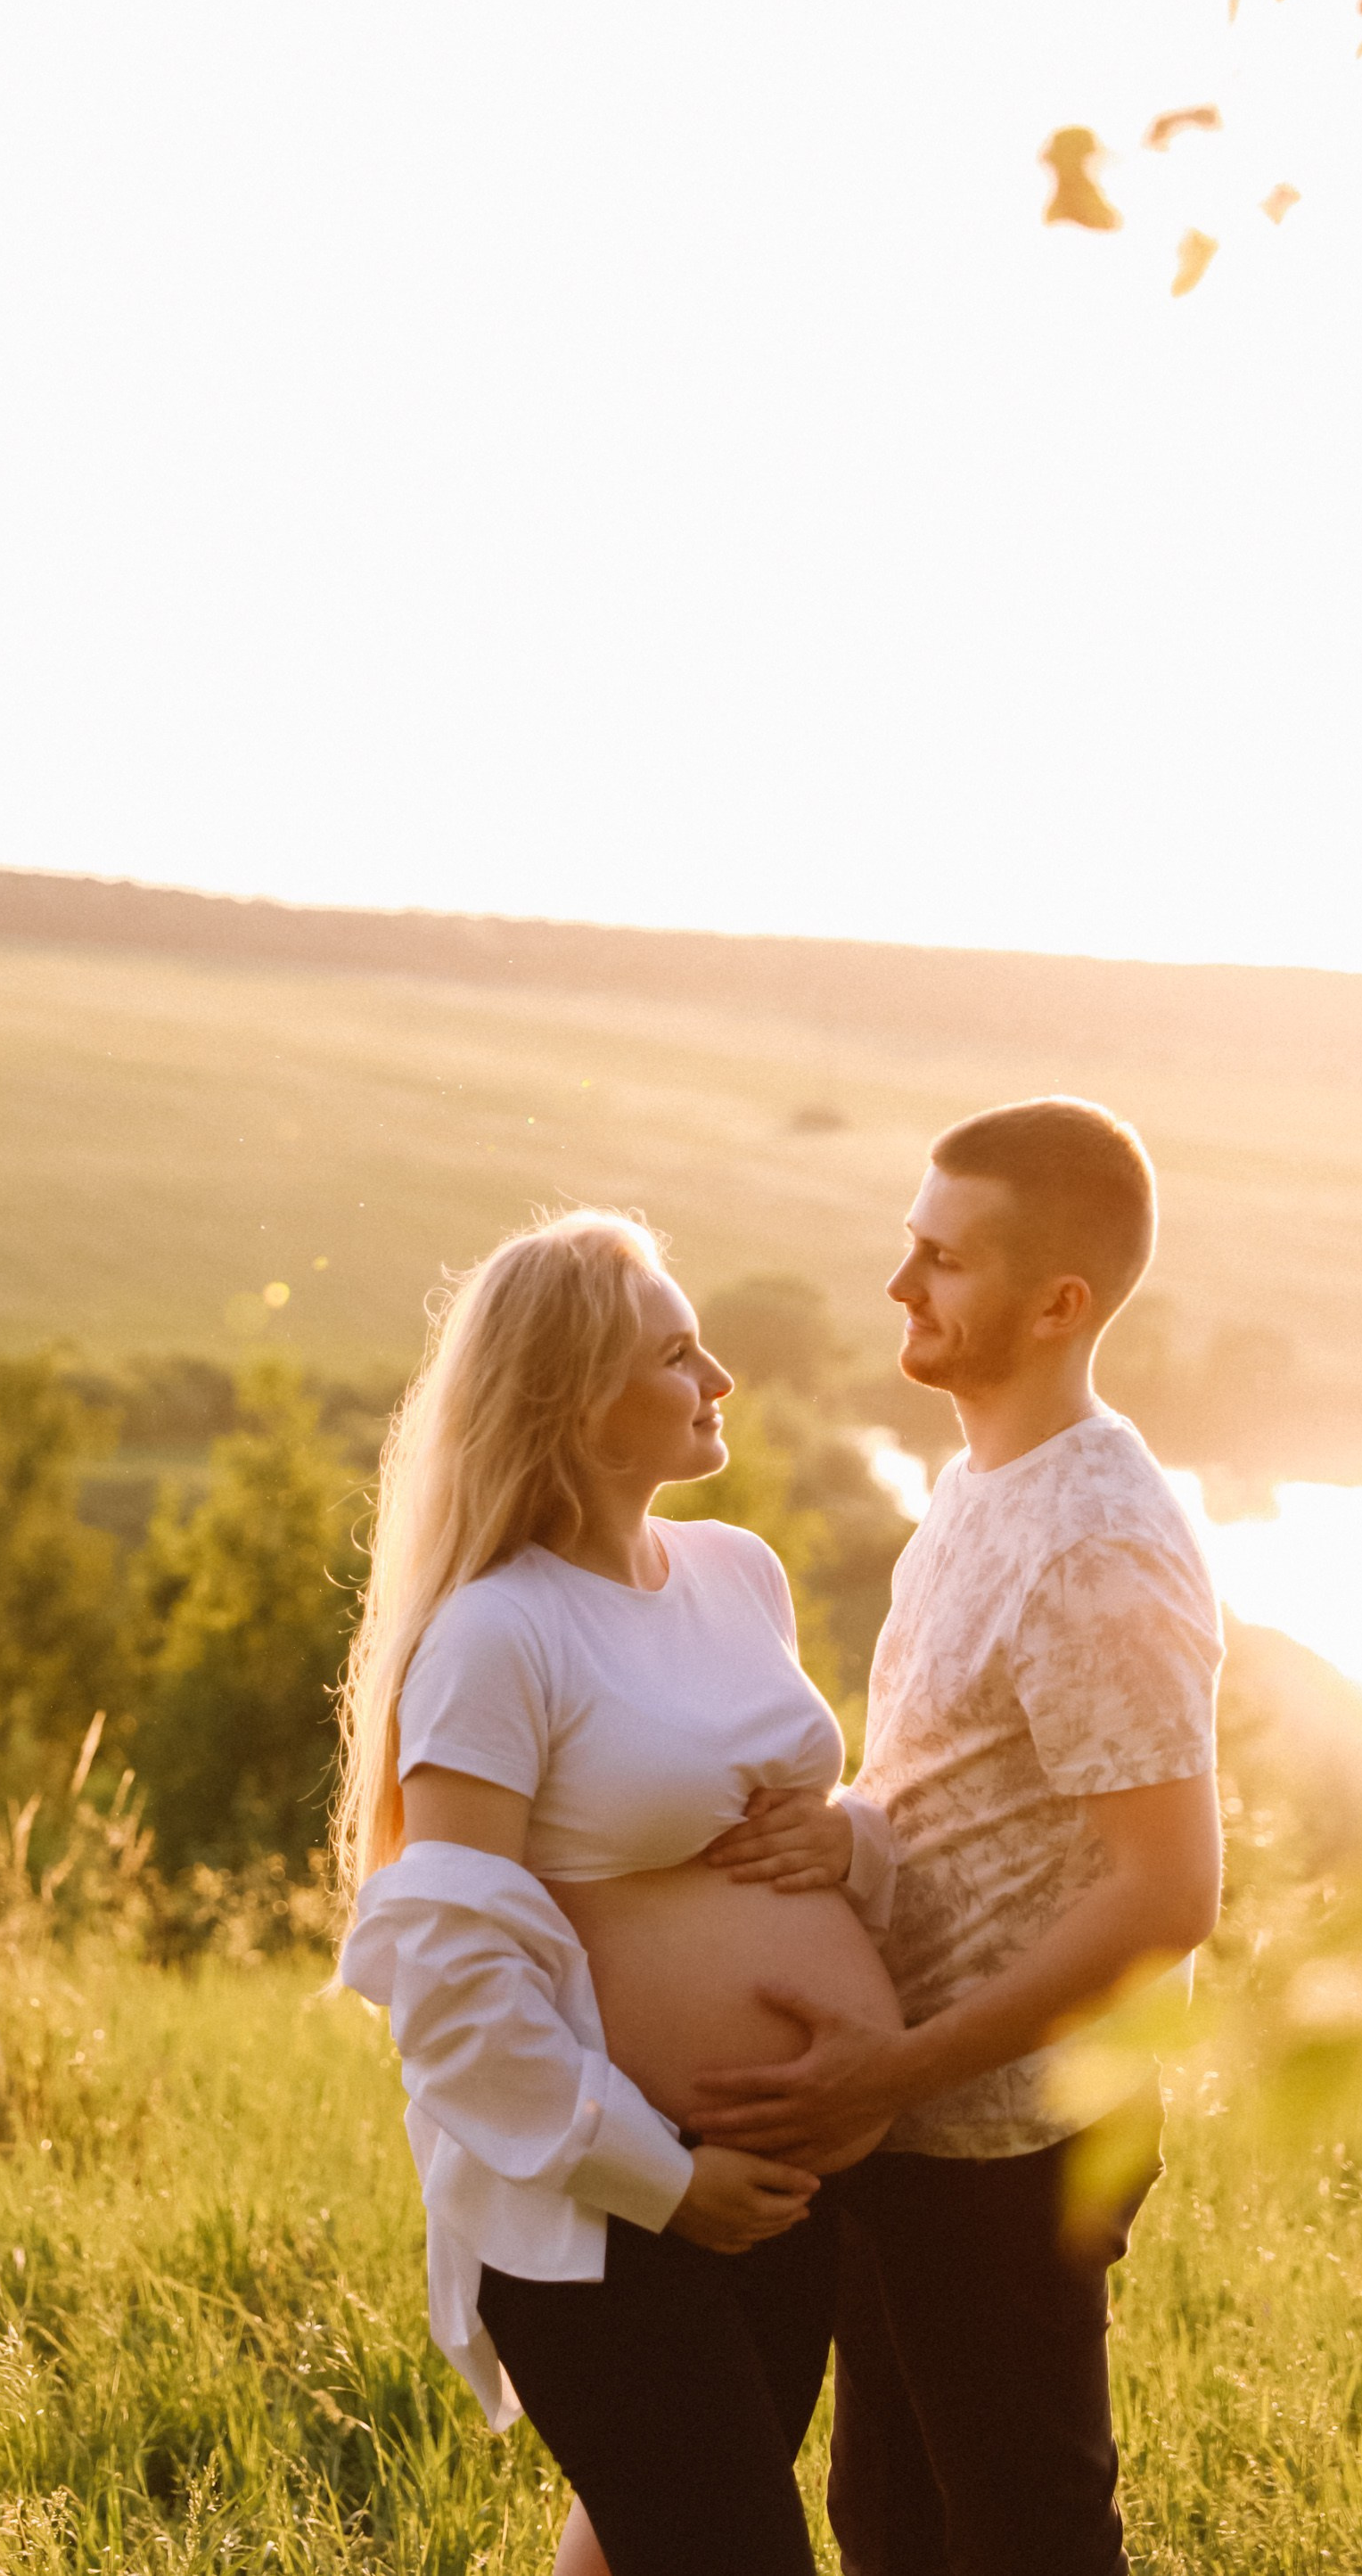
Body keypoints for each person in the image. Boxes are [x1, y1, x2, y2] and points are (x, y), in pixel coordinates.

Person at [691, 1098, 1224, 2576]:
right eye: (905, 1242)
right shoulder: (978, 1481)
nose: (897, 1283)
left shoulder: (1096, 1539)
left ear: (1059, 1303)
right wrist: (849, 1840)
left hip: (1008, 2135)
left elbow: (1168, 1891)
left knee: (1020, 2534)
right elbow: (979, 1797)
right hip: (915, 2117)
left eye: (941, 1256)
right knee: (893, 2521)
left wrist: (896, 2070)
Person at [335, 1207, 901, 2576]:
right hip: (601, 2209)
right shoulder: (495, 1632)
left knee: (664, 2539)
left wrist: (853, 1844)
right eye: (676, 1355)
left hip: (780, 2179)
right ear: (580, 1407)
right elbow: (452, 1981)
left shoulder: (738, 1571)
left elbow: (802, 1827)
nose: (719, 1380)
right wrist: (666, 2180)